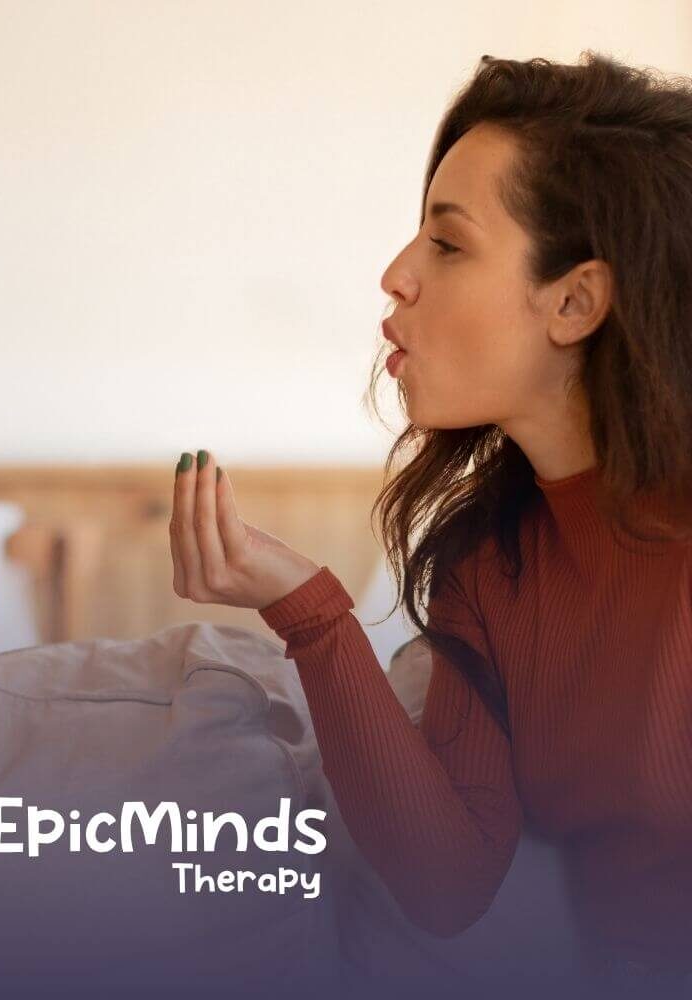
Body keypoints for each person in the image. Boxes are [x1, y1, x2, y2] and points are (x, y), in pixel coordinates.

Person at [170, 52, 692, 990]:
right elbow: (448, 883)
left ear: (575, 302)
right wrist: (310, 608)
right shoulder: (490, 572)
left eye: (447, 246)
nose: (396, 274)